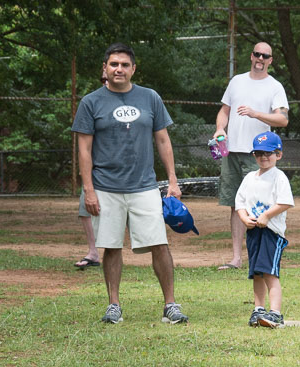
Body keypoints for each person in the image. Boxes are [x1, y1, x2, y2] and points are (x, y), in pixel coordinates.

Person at [72, 42, 188, 324]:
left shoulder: (150, 98)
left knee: (159, 243)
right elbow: (84, 150)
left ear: (133, 69)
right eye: (114, 64)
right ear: (105, 68)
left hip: (145, 186)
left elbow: (163, 139)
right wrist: (89, 189)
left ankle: (170, 305)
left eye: (124, 65)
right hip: (105, 186)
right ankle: (114, 305)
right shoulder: (91, 102)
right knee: (111, 247)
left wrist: (172, 179)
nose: (119, 69)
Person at [213, 42, 289, 270]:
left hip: (257, 155)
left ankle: (260, 253)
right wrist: (220, 129)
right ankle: (236, 258)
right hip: (231, 151)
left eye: (265, 56)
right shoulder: (237, 81)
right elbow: (224, 111)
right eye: (257, 54)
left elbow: (283, 119)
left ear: (270, 60)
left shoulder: (275, 87)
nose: (260, 58)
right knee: (236, 205)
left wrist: (256, 114)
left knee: (259, 204)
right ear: (251, 55)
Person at [235, 131, 294, 328]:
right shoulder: (250, 178)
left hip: (271, 233)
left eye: (269, 153)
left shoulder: (279, 177)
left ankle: (275, 313)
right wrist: (245, 218)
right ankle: (258, 309)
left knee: (270, 273)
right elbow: (240, 203)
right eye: (259, 153)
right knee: (257, 272)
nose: (263, 157)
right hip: (254, 232)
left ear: (279, 154)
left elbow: (285, 202)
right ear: (254, 155)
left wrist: (266, 216)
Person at [74, 71, 108, 270]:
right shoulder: (92, 102)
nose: (105, 82)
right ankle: (93, 252)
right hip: (95, 170)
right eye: (102, 79)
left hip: (120, 171)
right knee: (85, 209)